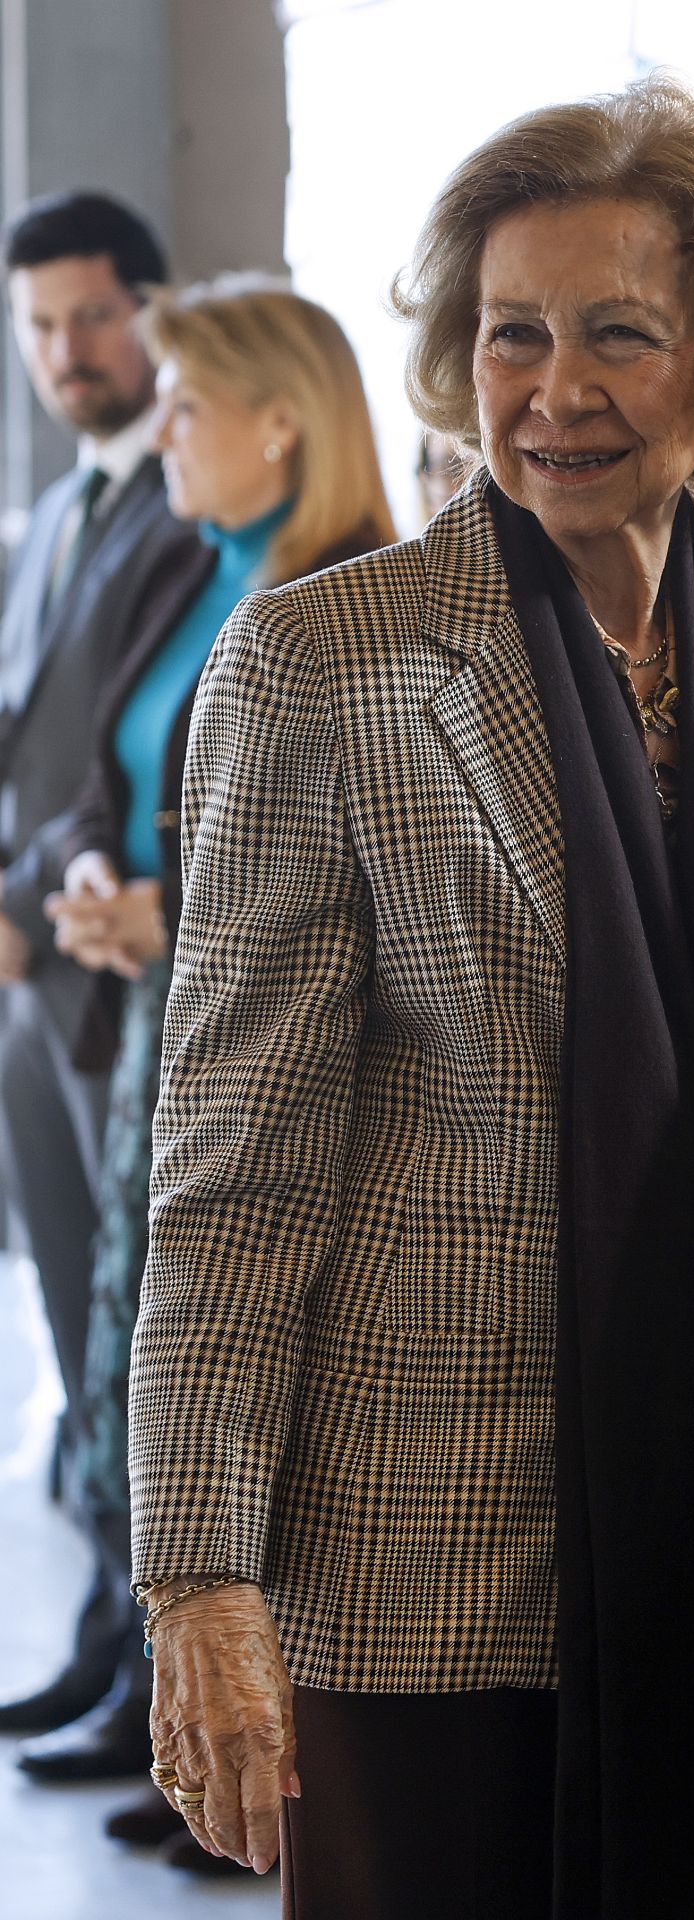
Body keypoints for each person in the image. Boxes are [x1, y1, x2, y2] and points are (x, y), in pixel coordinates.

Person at [128, 78, 694, 1919]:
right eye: (511, 335)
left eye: (617, 334)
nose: (554, 388)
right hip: (420, 1568)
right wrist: (201, 1576)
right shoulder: (324, 667)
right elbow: (233, 1177)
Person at [40, 277, 395, 1862]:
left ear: (283, 421)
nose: (162, 427)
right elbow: (101, 768)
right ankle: (158, 1703)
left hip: (261, 1052)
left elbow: (337, 867)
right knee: (139, 1364)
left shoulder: (346, 596)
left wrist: (164, 910)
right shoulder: (203, 567)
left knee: (253, 1408)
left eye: (191, 403)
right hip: (154, 1021)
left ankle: (257, 1765)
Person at [0, 191, 190, 1765]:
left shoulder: (193, 510)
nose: (66, 352)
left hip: (124, 987)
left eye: (89, 316)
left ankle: (150, 1689)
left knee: (141, 1354)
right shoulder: (61, 513)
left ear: (154, 311)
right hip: (43, 979)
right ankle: (101, 1639)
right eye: (39, 324)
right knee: (79, 1333)